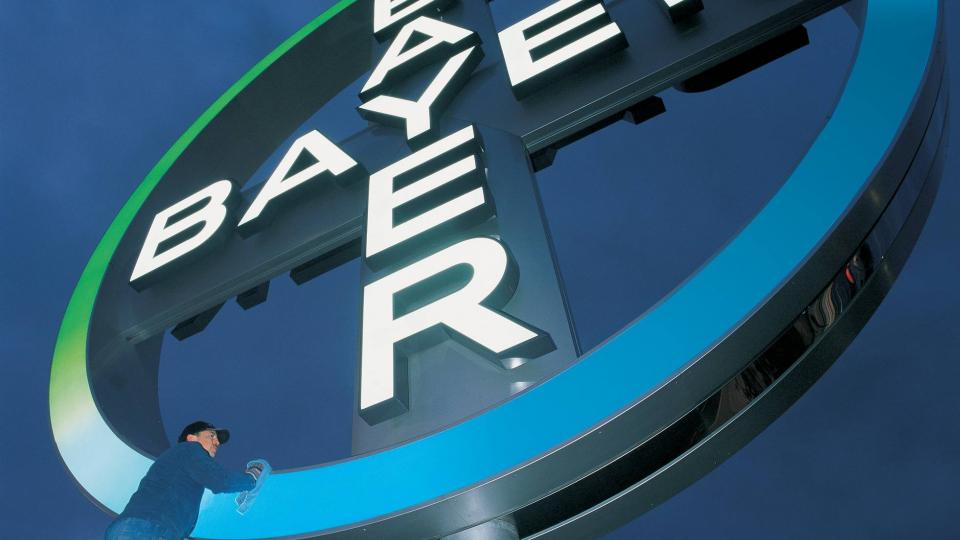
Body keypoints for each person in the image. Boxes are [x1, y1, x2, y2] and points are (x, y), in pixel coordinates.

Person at [104, 421, 267, 540]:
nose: (217, 442)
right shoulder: (189, 449)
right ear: (191, 438)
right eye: (211, 436)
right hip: (148, 529)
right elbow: (219, 480)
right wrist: (252, 477)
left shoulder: (180, 465)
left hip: (145, 529)